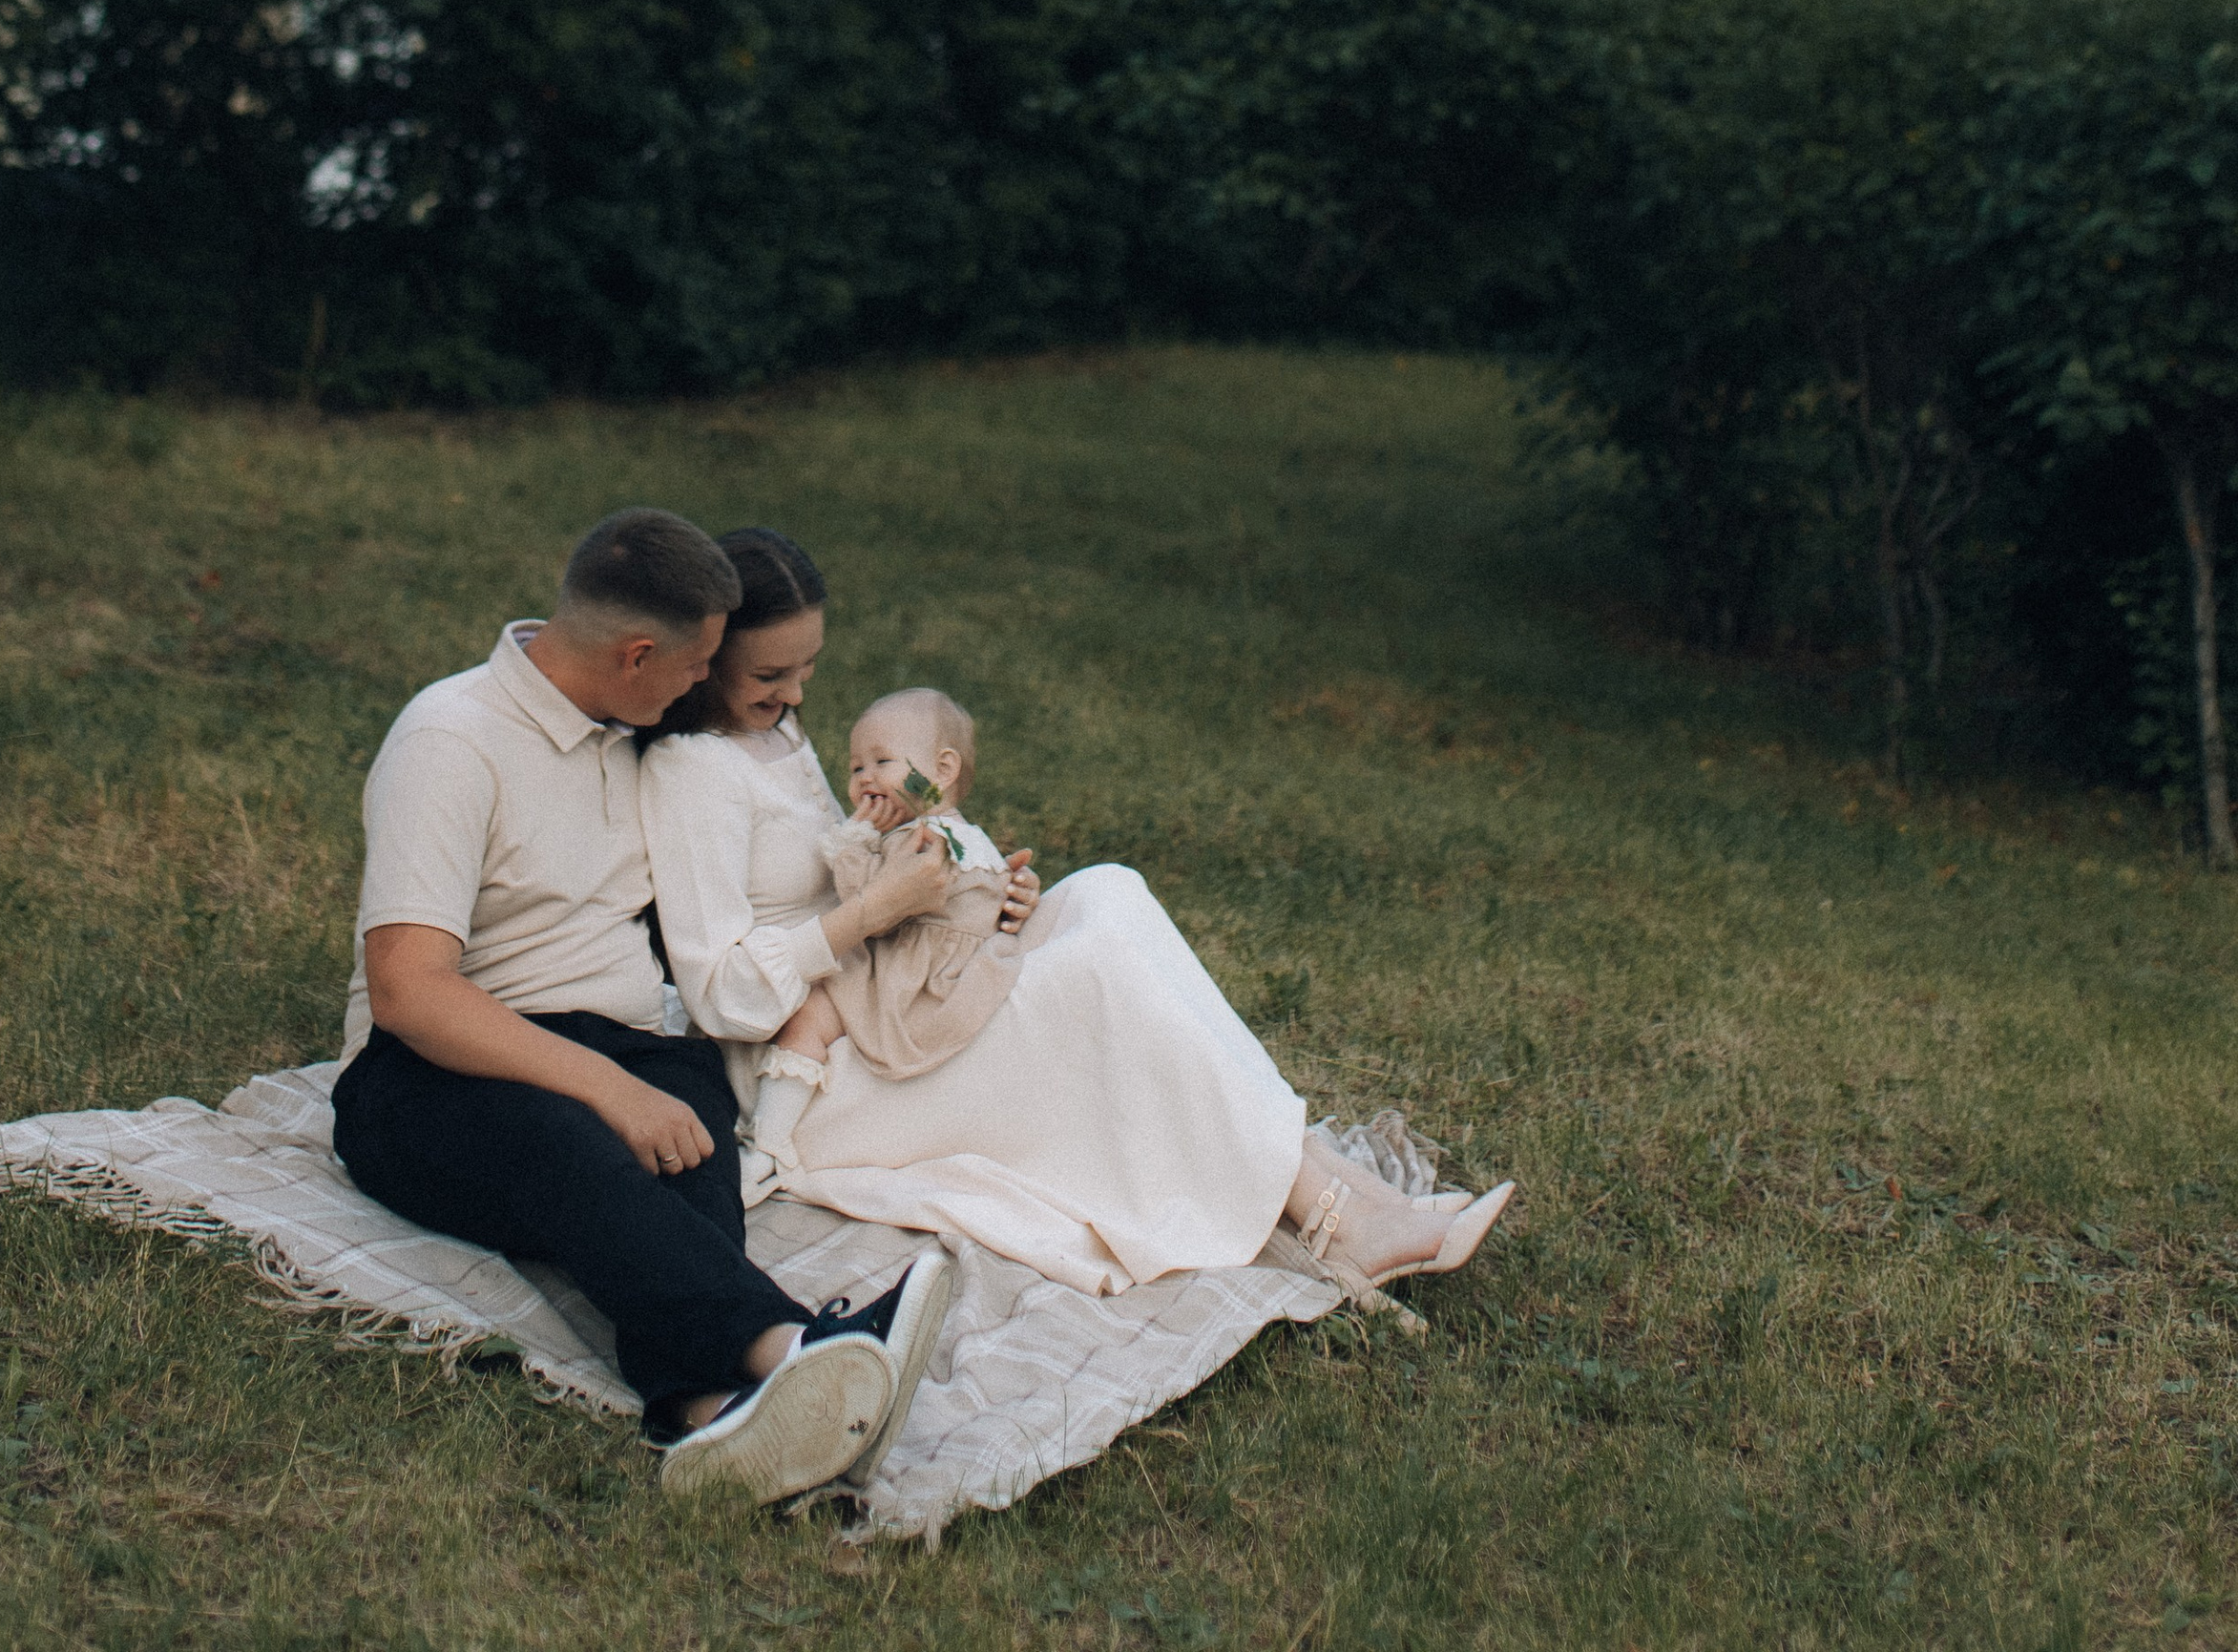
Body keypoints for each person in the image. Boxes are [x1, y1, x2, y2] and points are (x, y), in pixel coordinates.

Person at [638, 530, 1515, 1302]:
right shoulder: (690, 774)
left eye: (808, 671)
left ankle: (1343, 1191)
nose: (796, 697)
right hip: (823, 1064)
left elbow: (863, 847)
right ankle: (1332, 1216)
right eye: (769, 675)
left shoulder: (775, 737)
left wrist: (972, 897)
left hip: (888, 983)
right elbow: (718, 992)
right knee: (1096, 981)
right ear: (706, 654)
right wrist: (873, 913)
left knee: (1105, 892)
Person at [328, 505, 954, 1505]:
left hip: (629, 1045)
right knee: (579, 1146)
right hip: (433, 1074)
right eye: (697, 663)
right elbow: (410, 991)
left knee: (686, 1141)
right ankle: (809, 1345)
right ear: (633, 657)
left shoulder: (634, 728)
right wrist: (608, 1091)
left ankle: (706, 1414)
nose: (706, 685)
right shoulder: (452, 739)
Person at [749, 689, 1022, 1163]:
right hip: (947, 966)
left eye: (882, 762)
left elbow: (869, 908)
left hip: (910, 979)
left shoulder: (917, 842)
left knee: (808, 1011)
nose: (865, 778)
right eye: (856, 768)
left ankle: (767, 1142)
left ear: (941, 771)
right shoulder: (966, 838)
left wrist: (853, 841)